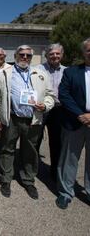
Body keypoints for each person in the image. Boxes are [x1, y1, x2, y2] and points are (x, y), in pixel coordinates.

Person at [0, 45, 55, 199]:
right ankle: (6, 179)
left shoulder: (40, 74)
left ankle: (28, 180)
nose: (25, 57)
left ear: (31, 57)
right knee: (7, 148)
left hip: (32, 119)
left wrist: (45, 105)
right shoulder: (5, 73)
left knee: (30, 151)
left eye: (28, 55)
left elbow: (50, 95)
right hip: (12, 118)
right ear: (15, 56)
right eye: (22, 54)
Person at [55, 38, 90, 210]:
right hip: (75, 122)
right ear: (83, 53)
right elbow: (64, 94)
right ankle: (65, 192)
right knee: (69, 159)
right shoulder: (71, 72)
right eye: (88, 50)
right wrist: (80, 114)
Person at [36, 43, 66, 180]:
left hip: (59, 110)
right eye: (51, 53)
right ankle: (33, 168)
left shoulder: (67, 71)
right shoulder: (37, 69)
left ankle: (55, 171)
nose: (54, 56)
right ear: (47, 55)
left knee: (56, 142)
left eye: (57, 53)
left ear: (61, 55)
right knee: (36, 139)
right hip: (41, 108)